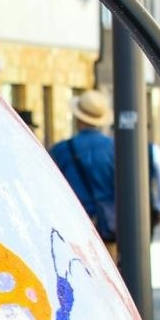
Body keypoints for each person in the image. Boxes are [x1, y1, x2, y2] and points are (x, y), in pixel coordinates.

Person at [49, 90, 116, 243]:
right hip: (109, 225)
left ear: (78, 118)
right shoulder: (117, 149)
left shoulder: (60, 150)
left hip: (73, 228)